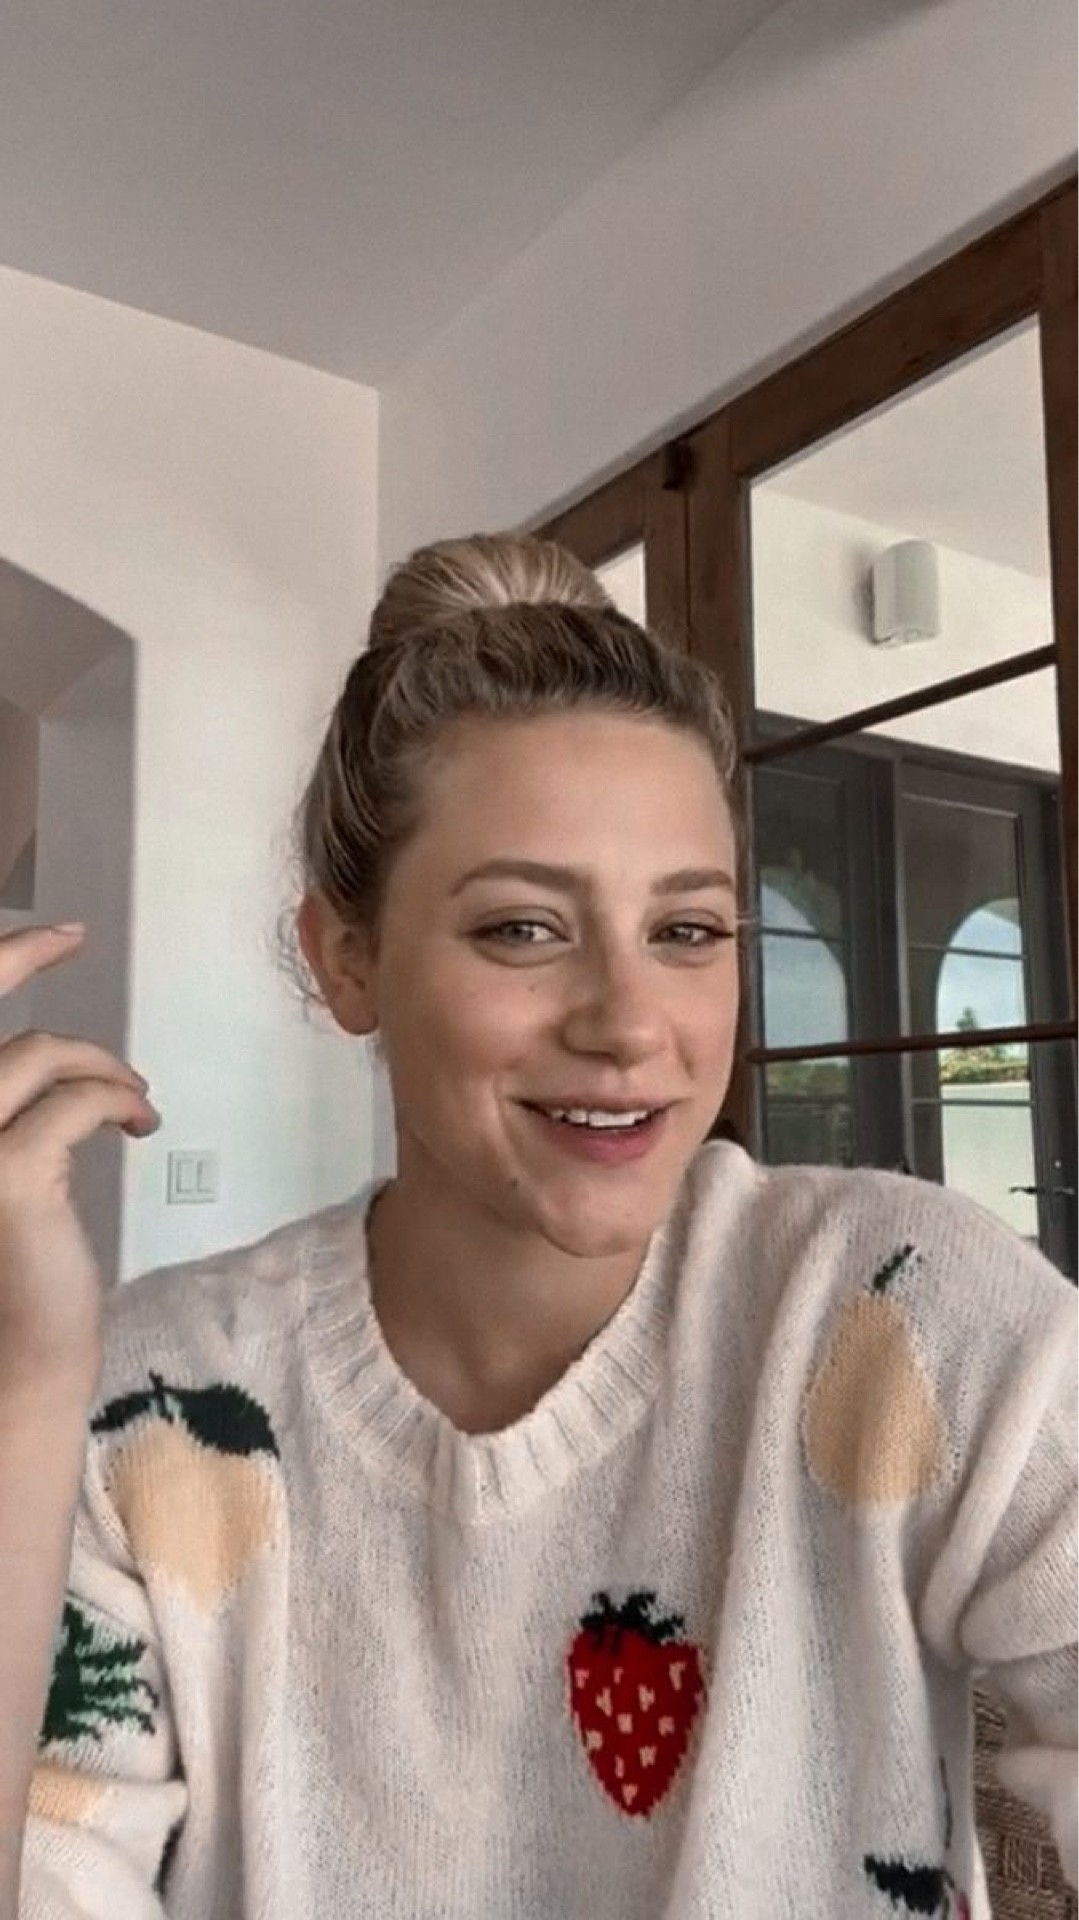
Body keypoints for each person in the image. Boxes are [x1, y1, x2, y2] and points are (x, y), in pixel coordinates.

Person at [1, 532, 1075, 1919]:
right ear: (347, 958)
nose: (630, 1025)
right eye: (523, 929)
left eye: (688, 932)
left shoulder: (903, 1313)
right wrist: (24, 1393)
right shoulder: (151, 1407)